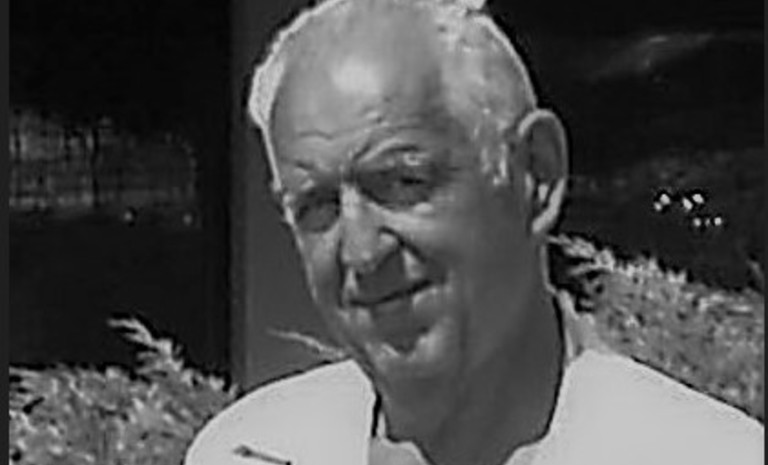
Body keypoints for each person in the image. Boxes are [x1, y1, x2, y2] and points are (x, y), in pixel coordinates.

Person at [185, 0, 764, 464]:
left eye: (403, 182)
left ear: (535, 177)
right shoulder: (247, 450)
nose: (361, 252)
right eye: (316, 206)